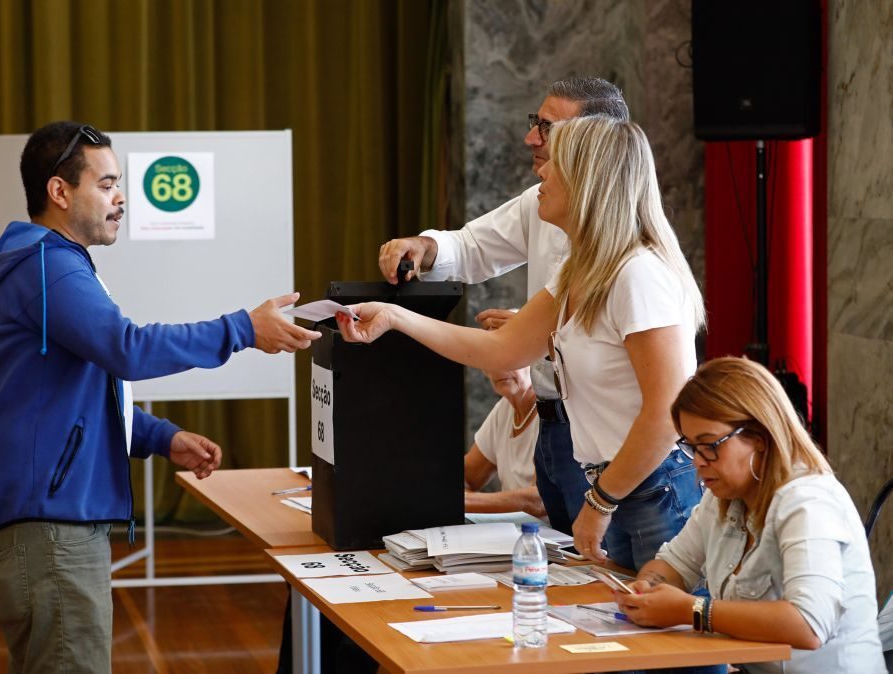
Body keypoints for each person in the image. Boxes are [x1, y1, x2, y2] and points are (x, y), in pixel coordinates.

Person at [0, 121, 321, 673]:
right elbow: (127, 349)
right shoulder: (47, 267)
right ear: (60, 192)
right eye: (106, 184)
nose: (121, 197)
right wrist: (242, 329)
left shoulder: (44, 265)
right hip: (50, 535)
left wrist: (160, 436)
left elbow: (70, 396)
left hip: (41, 531)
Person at [338, 114, 704, 572]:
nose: (541, 172)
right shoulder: (580, 273)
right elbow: (501, 349)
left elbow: (667, 412)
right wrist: (394, 316)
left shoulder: (638, 276)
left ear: (589, 183)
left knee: (664, 639)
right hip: (619, 486)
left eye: (558, 164)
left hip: (652, 489)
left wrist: (601, 501)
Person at [377, 77, 629, 535]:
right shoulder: (545, 200)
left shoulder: (628, 252)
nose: (530, 139)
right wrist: (424, 246)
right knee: (566, 577)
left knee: (610, 578)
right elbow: (474, 245)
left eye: (547, 128)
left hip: (608, 439)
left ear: (591, 143)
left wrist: (535, 336)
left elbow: (656, 390)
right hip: (553, 425)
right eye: (536, 123)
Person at [614, 357, 886, 673]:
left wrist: (693, 610)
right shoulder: (726, 494)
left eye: (709, 445)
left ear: (759, 437)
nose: (699, 462)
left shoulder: (808, 502)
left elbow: (809, 625)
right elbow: (675, 563)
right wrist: (647, 588)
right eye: (691, 447)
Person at [464, 365, 546, 519]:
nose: (499, 368)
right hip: (509, 533)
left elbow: (541, 499)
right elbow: (467, 476)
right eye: (491, 360)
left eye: (511, 358)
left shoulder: (554, 411)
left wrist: (464, 501)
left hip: (546, 537)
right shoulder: (503, 409)